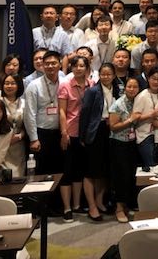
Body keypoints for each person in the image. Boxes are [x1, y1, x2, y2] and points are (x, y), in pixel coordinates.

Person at [79, 63, 119, 221]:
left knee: (104, 170)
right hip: (95, 132)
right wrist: (83, 136)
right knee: (91, 171)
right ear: (99, 75)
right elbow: (85, 114)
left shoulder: (117, 90)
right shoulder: (92, 91)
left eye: (109, 74)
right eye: (103, 74)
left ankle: (100, 201)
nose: (106, 77)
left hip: (112, 131)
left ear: (114, 75)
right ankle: (92, 206)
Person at [58, 56, 90, 222]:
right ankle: (67, 208)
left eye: (82, 66)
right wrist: (64, 132)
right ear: (71, 67)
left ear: (87, 68)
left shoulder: (91, 84)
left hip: (85, 134)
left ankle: (77, 205)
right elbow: (62, 111)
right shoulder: (65, 85)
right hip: (70, 132)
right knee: (67, 171)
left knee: (79, 170)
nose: (78, 68)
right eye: (75, 66)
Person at [23, 51, 65, 176]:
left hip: (60, 133)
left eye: (53, 63)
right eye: (47, 64)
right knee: (41, 172)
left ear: (60, 64)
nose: (50, 66)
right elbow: (29, 114)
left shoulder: (65, 83)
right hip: (41, 134)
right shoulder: (34, 85)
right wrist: (34, 138)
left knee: (59, 171)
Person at [109, 77, 141, 223]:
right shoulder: (118, 104)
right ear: (124, 88)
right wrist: (130, 120)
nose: (132, 89)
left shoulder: (138, 101)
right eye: (129, 86)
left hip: (132, 142)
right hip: (118, 143)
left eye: (135, 87)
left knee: (130, 175)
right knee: (120, 176)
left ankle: (127, 204)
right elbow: (113, 126)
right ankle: (119, 208)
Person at [133, 67, 158, 168]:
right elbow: (134, 118)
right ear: (148, 79)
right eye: (153, 78)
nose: (156, 82)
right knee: (152, 166)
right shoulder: (142, 96)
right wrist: (150, 115)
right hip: (145, 136)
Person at [0, 74, 25, 177]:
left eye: (13, 83)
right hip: (1, 145)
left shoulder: (24, 103)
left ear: (18, 85)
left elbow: (28, 125)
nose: (9, 86)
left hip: (19, 145)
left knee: (19, 176)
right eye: (6, 83)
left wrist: (20, 136)